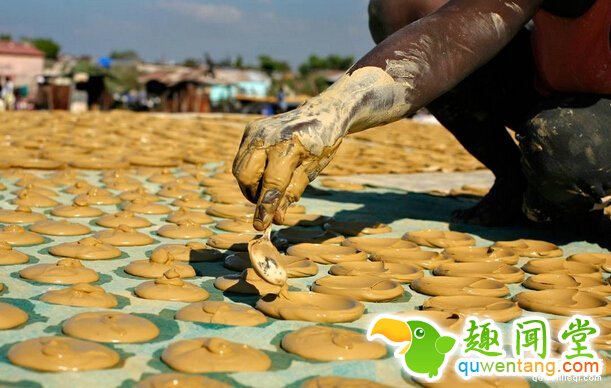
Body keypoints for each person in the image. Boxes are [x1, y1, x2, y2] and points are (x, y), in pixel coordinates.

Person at [232, 0, 610, 232]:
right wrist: (331, 111)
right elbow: (450, 39)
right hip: (552, 82)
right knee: (401, 4)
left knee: (565, 146)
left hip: (591, 119)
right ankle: (517, 183)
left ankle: (564, 203)